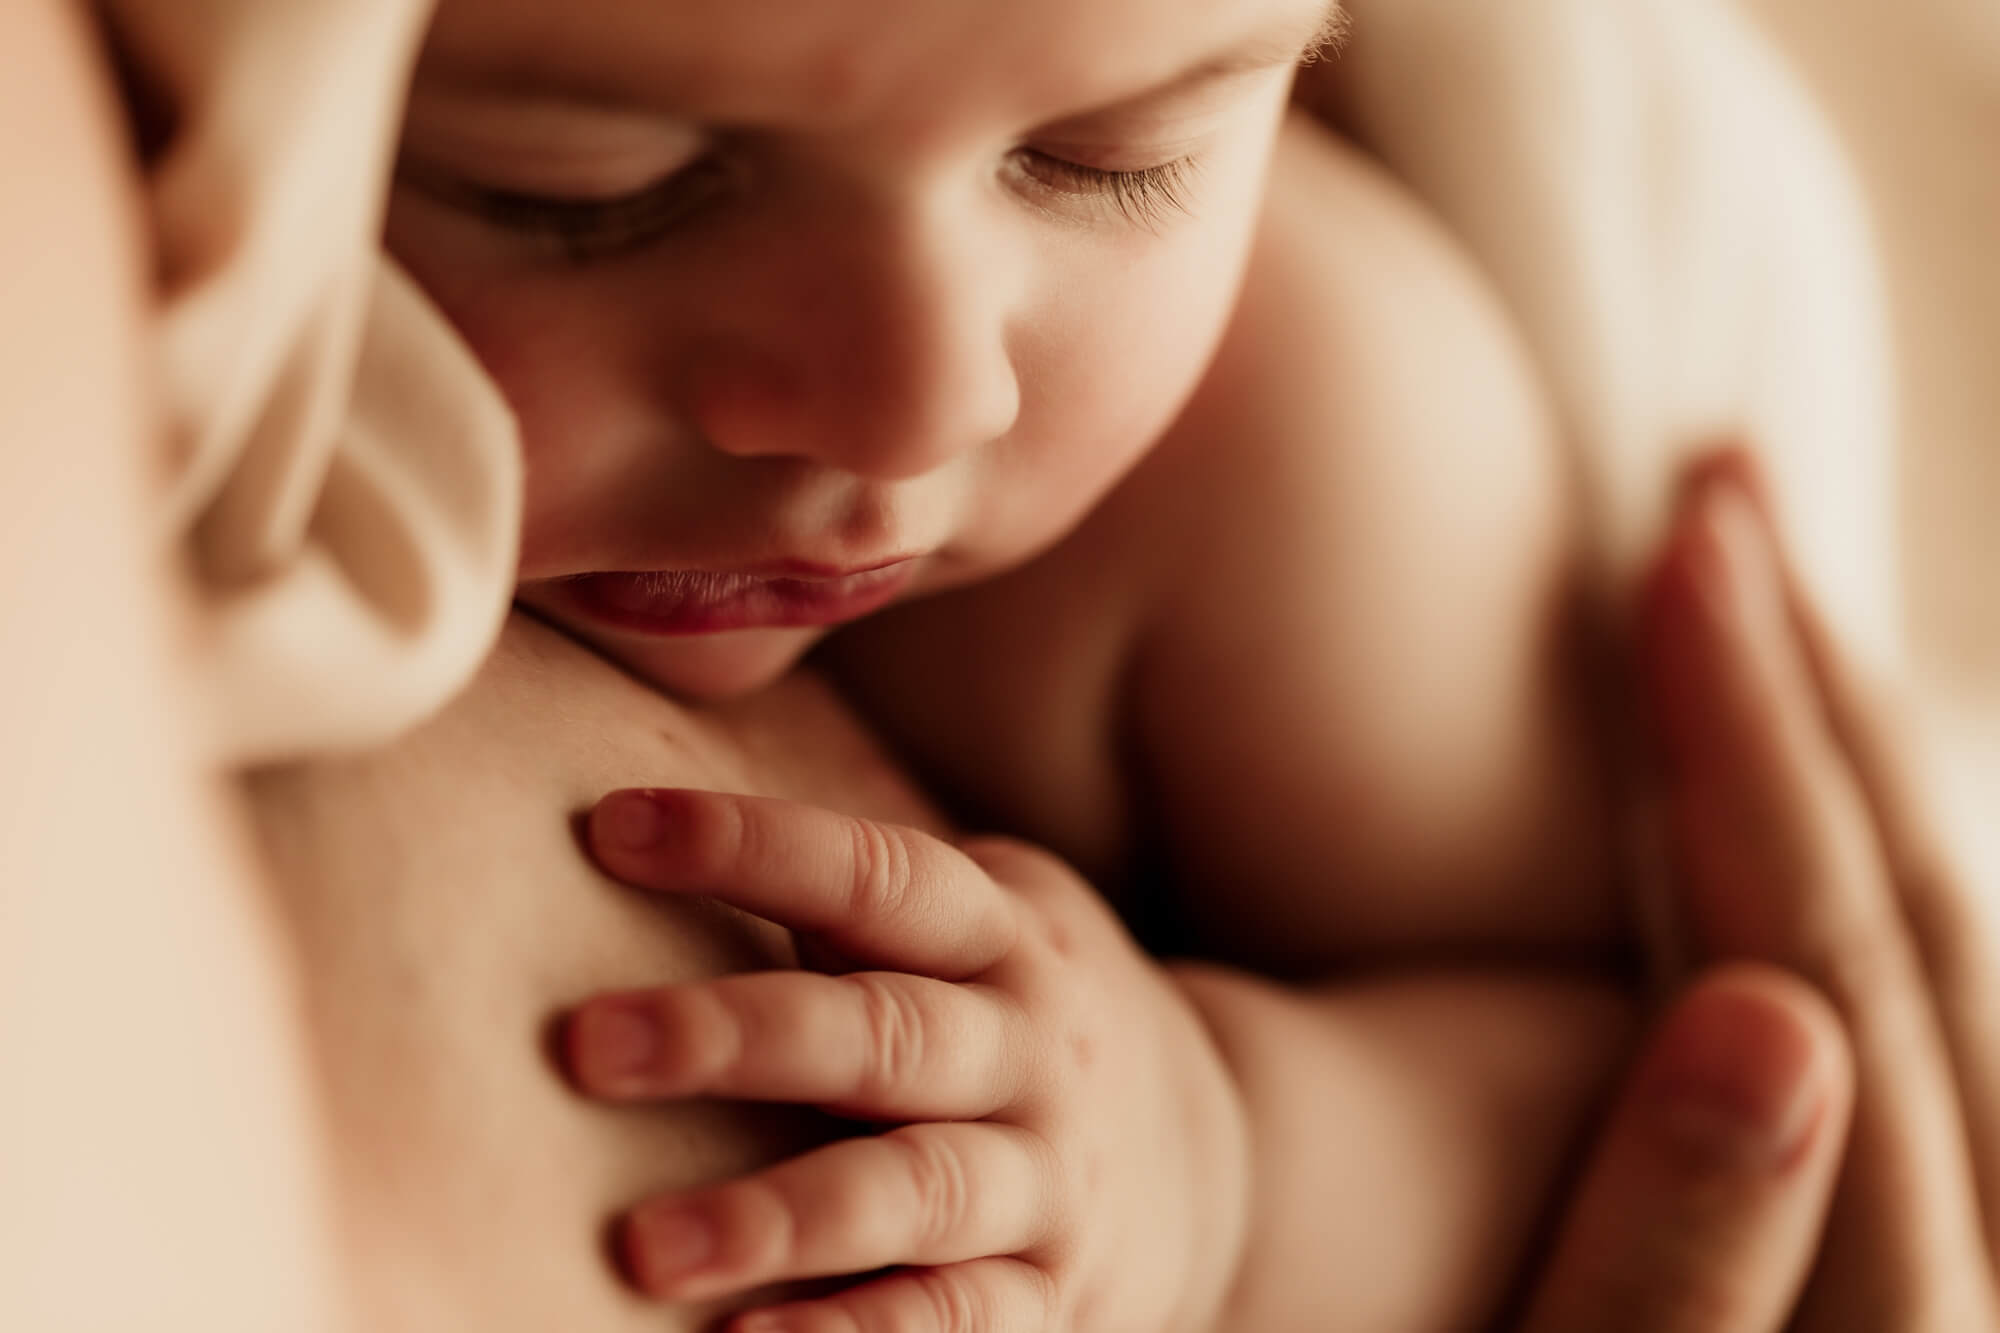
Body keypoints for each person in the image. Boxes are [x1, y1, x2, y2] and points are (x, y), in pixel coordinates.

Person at [6, 3, 1994, 1333]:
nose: (913, 399)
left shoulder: (1299, 456)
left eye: (1110, 157)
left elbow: (1624, 1053)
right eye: (583, 187)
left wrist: (1223, 1144)